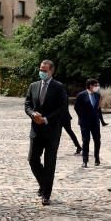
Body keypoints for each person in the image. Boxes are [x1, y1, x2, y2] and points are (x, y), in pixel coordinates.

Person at [24, 59, 68, 205]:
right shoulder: (33, 86)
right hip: (36, 130)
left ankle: (46, 194)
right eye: (41, 69)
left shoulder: (59, 87)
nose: (41, 72)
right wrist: (32, 114)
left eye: (44, 70)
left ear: (51, 71)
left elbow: (62, 108)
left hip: (52, 131)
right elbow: (27, 104)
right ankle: (44, 185)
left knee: (50, 163)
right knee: (33, 160)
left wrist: (46, 119)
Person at [74, 78, 108, 168]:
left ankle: (97, 158)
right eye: (96, 85)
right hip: (85, 122)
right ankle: (85, 160)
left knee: (97, 140)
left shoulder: (97, 95)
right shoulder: (81, 95)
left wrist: (101, 120)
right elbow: (76, 107)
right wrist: (82, 117)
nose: (97, 87)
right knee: (86, 141)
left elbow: (98, 108)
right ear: (90, 86)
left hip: (95, 122)